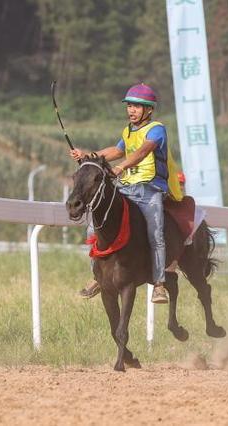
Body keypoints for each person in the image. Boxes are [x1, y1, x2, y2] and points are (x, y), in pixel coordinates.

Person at [70, 83, 183, 304]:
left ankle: (159, 284)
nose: (131, 110)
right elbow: (116, 151)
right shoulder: (128, 130)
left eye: (137, 107)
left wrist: (121, 167)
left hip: (150, 189)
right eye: (130, 106)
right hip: (127, 188)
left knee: (155, 232)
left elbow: (142, 151)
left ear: (149, 110)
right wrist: (87, 156)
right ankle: (98, 276)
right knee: (95, 225)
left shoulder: (157, 129)